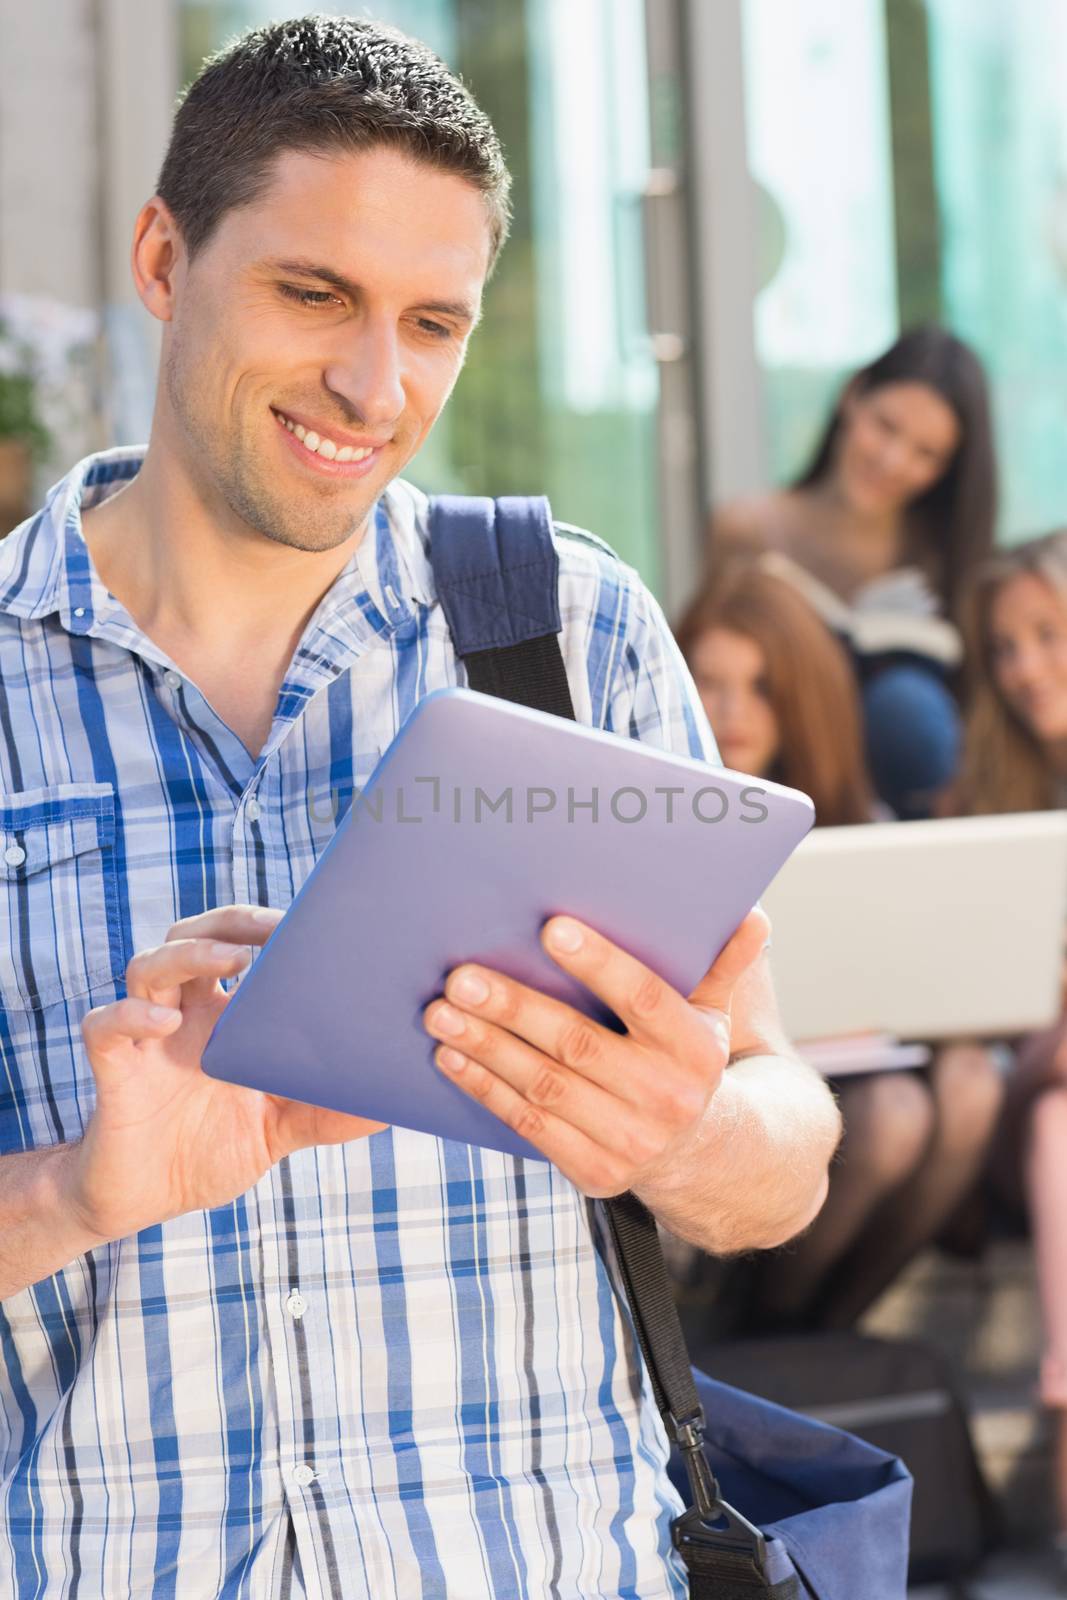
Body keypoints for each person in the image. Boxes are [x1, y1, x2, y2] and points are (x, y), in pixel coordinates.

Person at [0, 17, 841, 1599]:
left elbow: (782, 1146)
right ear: (163, 257)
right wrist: (71, 1196)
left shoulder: (563, 631)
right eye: (312, 293)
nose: (371, 385)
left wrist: (680, 1132)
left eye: (432, 321)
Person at [675, 560, 1003, 1330]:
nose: (731, 712)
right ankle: (770, 1327)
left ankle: (815, 1337)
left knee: (955, 1089)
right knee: (890, 1117)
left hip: (849, 1071)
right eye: (710, 682)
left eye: (762, 687)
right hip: (729, 1094)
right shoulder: (645, 818)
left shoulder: (862, 828)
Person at [710, 327, 998, 819]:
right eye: (885, 426)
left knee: (906, 706)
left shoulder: (947, 552)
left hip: (912, 799)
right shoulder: (750, 528)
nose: (893, 461)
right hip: (785, 784)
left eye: (926, 454)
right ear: (853, 395)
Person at [951, 529, 1067, 1574]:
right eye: (1004, 647)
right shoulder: (987, 798)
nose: (1024, 667)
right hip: (1019, 1108)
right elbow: (981, 1035)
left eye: (1047, 635)